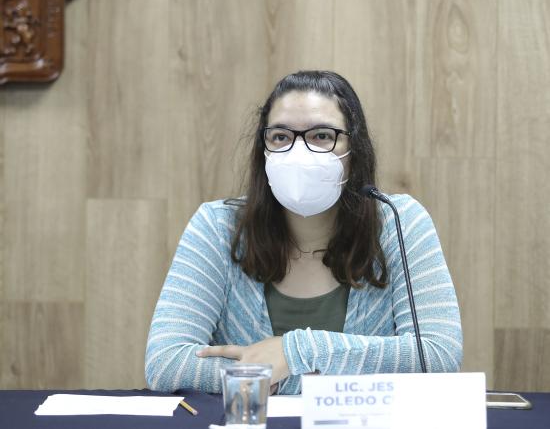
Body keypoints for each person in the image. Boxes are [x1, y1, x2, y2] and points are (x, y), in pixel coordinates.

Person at [145, 71, 463, 395]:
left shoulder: (399, 221)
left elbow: (437, 354)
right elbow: (166, 363)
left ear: (354, 149)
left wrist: (295, 351)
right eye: (280, 137)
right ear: (264, 149)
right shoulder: (218, 226)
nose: (299, 152)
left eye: (322, 136)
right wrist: (290, 375)